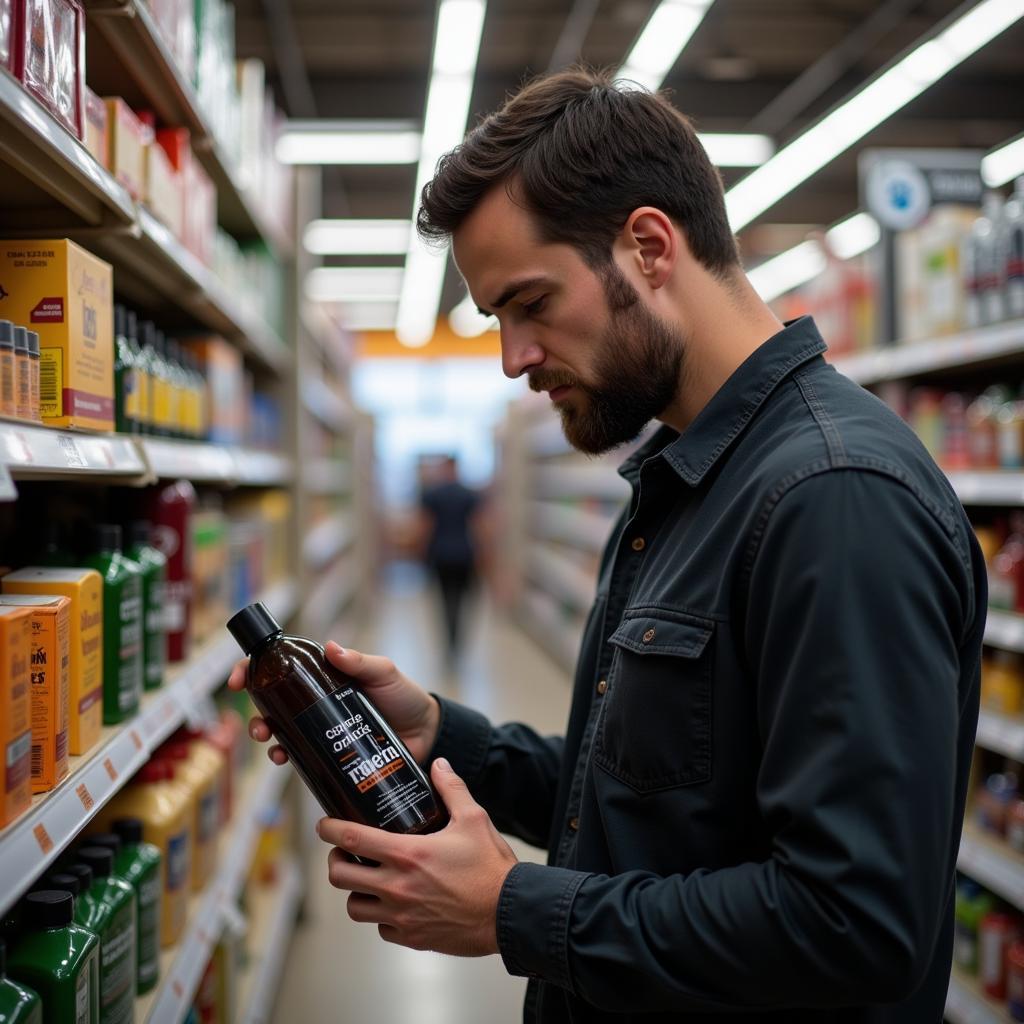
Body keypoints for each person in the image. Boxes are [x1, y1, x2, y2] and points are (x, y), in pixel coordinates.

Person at [229, 68, 985, 1023]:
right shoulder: (681, 481)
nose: (513, 357)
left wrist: (515, 909)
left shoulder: (834, 499)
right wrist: (439, 735)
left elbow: (855, 925)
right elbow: (652, 809)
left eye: (531, 303)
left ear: (648, 246)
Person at [417, 454, 481, 660]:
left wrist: (421, 551)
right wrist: (484, 555)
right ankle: (457, 641)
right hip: (464, 554)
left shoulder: (433, 494)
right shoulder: (469, 495)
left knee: (445, 600)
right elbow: (479, 526)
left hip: (441, 555)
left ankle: (449, 643)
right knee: (462, 600)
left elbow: (426, 526)